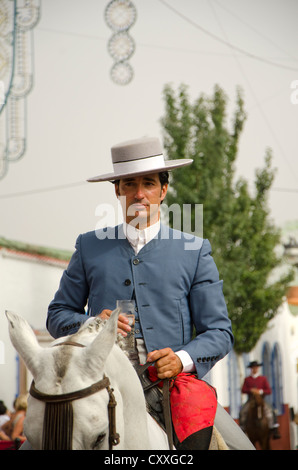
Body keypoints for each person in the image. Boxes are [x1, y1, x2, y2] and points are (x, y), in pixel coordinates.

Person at [46, 136, 254, 450]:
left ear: (163, 190)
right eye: (129, 184)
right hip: (100, 384)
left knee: (243, 448)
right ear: (117, 189)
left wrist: (182, 359)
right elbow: (57, 316)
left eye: (148, 184)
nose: (139, 194)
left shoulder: (194, 251)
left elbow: (220, 332)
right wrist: (92, 323)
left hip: (175, 386)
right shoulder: (89, 246)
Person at [240, 361, 280, 439]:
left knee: (271, 411)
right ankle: (242, 428)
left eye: (256, 367)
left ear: (258, 368)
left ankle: (274, 429)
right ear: (251, 369)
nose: (254, 369)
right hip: (251, 400)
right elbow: (243, 390)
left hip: (261, 400)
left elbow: (268, 391)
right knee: (242, 412)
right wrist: (250, 390)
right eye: (253, 368)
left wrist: (260, 391)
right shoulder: (247, 379)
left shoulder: (263, 378)